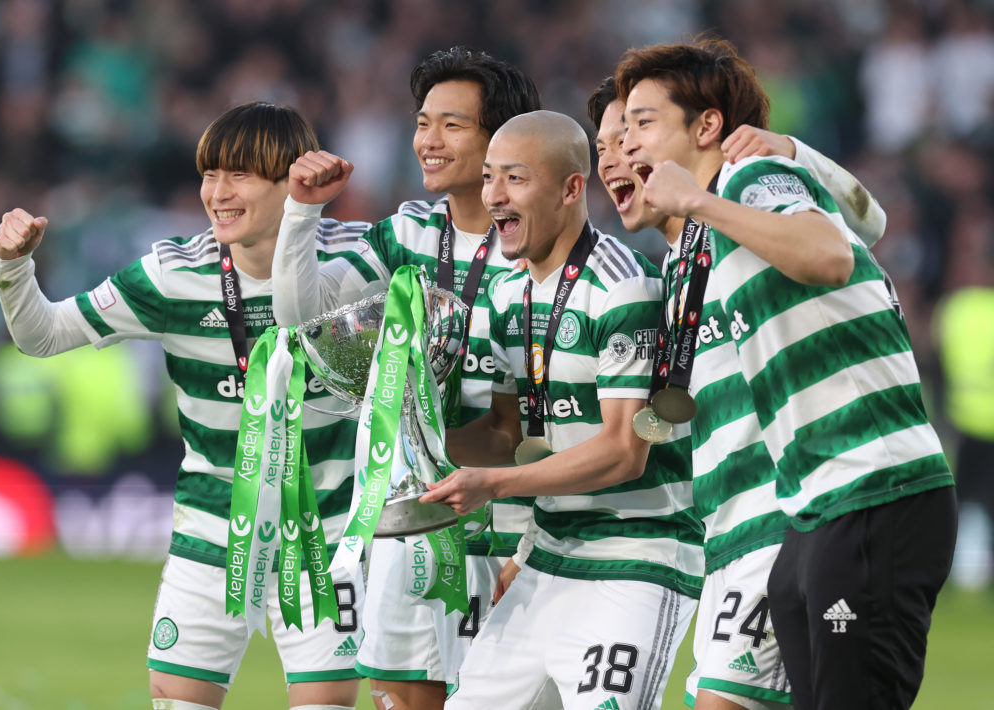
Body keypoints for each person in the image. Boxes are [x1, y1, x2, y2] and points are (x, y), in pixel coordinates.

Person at [616, 38, 957, 710]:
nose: (627, 143)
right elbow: (866, 222)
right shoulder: (704, 244)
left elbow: (829, 254)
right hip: (812, 509)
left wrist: (714, 194)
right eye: (623, 127)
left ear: (707, 127)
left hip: (872, 483)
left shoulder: (745, 183)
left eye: (643, 122)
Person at [0, 102, 364, 710]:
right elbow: (44, 335)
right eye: (208, 174)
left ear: (293, 179)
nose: (216, 193)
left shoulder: (356, 262)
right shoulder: (172, 274)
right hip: (214, 530)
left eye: (239, 175)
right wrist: (14, 267)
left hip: (323, 535)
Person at [272, 47, 542, 710]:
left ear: (501, 141)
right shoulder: (408, 232)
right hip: (413, 522)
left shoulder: (542, 247)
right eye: (423, 122)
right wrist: (300, 216)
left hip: (514, 522)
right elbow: (301, 320)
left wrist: (531, 546)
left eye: (452, 125)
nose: (428, 140)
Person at [419, 109, 703, 710]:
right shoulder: (504, 292)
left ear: (572, 188)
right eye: (490, 177)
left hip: (636, 556)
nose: (493, 195)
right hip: (548, 556)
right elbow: (505, 433)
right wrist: (408, 437)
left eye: (515, 179)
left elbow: (624, 452)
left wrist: (495, 485)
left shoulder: (624, 287)